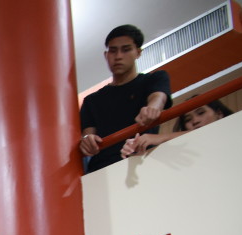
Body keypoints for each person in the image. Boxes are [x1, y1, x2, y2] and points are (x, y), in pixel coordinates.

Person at [79, 24, 172, 173]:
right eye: (113, 51)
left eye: (126, 49)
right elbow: (88, 134)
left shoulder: (154, 79)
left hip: (143, 161)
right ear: (106, 55)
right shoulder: (91, 100)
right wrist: (87, 140)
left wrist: (152, 108)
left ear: (138, 52)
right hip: (102, 170)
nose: (118, 56)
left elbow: (158, 98)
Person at [120, 98, 234, 158]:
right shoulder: (182, 152)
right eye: (188, 119)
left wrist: (160, 137)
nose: (195, 121)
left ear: (219, 113)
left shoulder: (233, 132)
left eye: (201, 113)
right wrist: (136, 150)